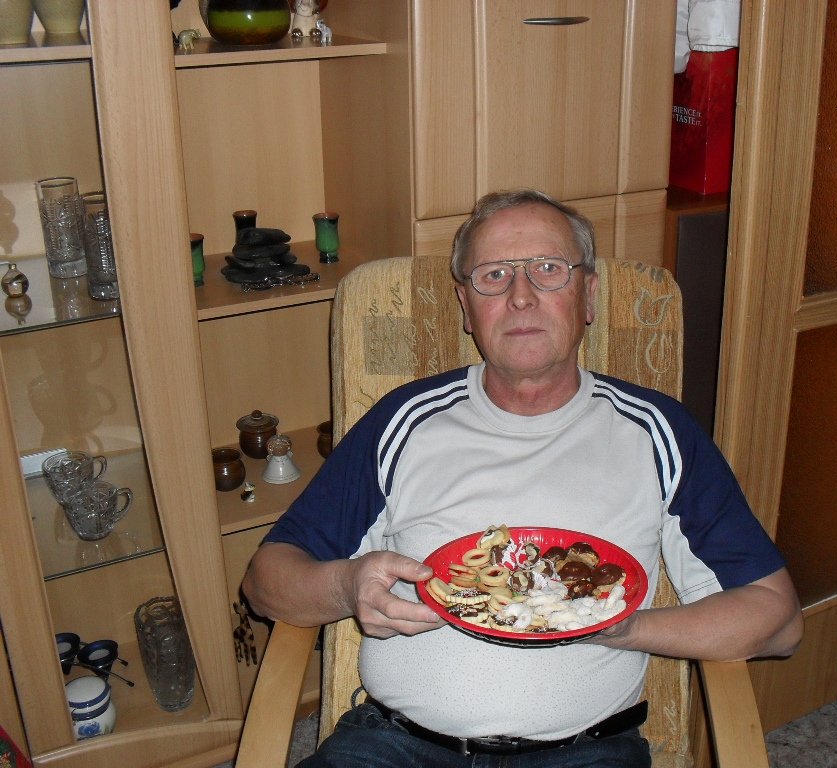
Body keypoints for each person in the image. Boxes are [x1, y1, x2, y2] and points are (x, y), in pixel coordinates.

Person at [242, 188, 803, 767]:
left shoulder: (658, 431)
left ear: (588, 295)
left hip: (583, 754)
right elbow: (266, 580)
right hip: (394, 747)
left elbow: (778, 620)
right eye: (494, 275)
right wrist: (347, 585)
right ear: (466, 307)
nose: (521, 295)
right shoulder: (404, 421)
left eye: (549, 269)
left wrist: (622, 626)